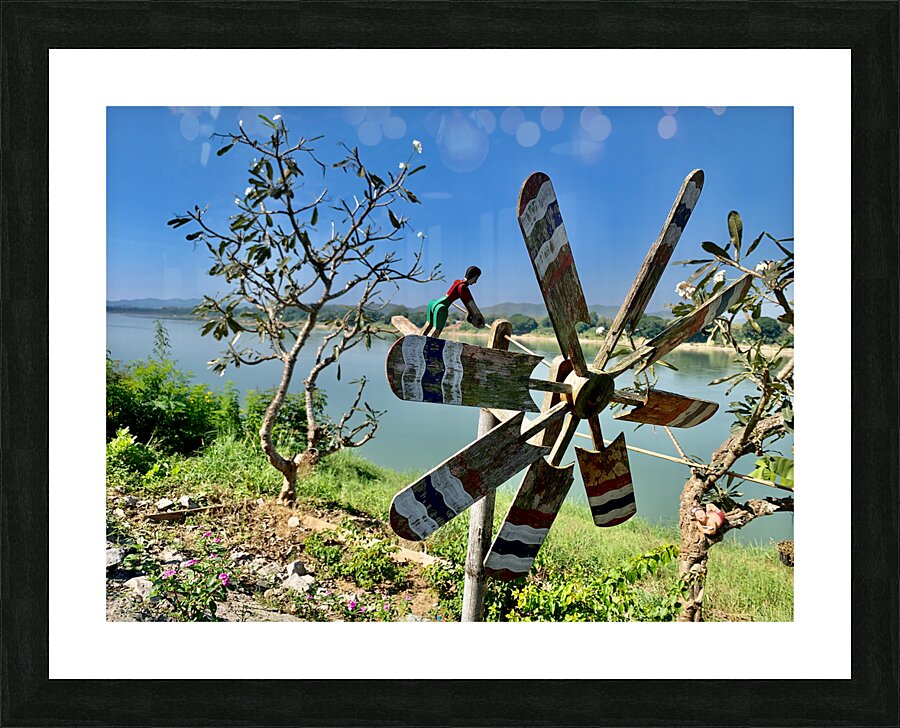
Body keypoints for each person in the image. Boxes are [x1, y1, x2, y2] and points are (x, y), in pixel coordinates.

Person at [421, 266, 486, 337]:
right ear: (472, 277)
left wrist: (470, 312)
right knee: (436, 330)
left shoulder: (457, 282)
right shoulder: (462, 287)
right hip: (441, 308)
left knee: (429, 324)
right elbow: (469, 302)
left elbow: (467, 302)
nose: (475, 282)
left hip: (434, 303)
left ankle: (420, 339)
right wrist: (477, 315)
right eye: (475, 279)